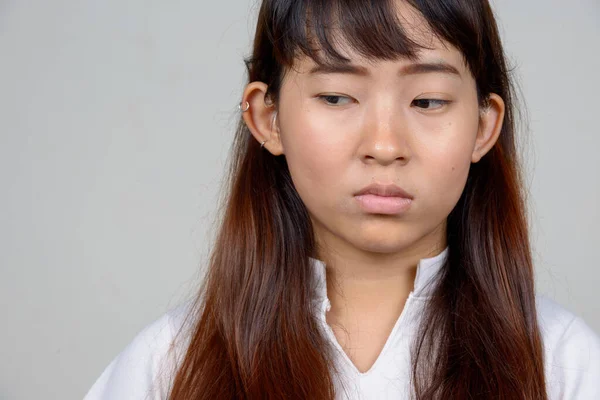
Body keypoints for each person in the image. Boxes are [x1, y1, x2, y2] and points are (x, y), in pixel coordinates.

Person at [84, 0, 600, 399]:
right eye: (336, 97)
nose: (384, 146)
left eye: (428, 101)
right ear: (268, 118)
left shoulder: (560, 362)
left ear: (484, 127)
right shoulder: (173, 365)